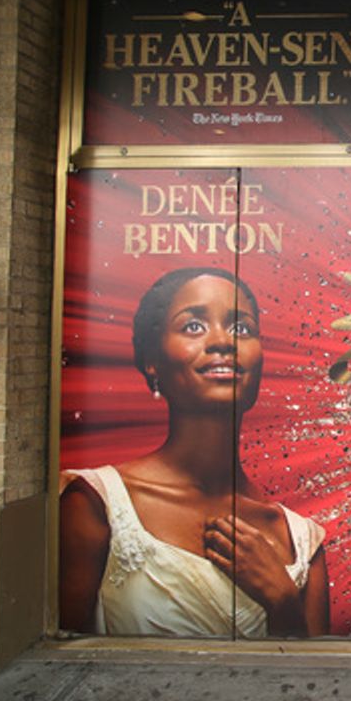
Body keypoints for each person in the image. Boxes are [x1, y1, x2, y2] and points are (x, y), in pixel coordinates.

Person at [59, 268, 329, 637]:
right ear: (152, 360)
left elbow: (317, 682)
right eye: (193, 327)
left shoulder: (300, 540)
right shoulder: (95, 504)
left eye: (241, 329)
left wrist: (282, 600)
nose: (222, 341)